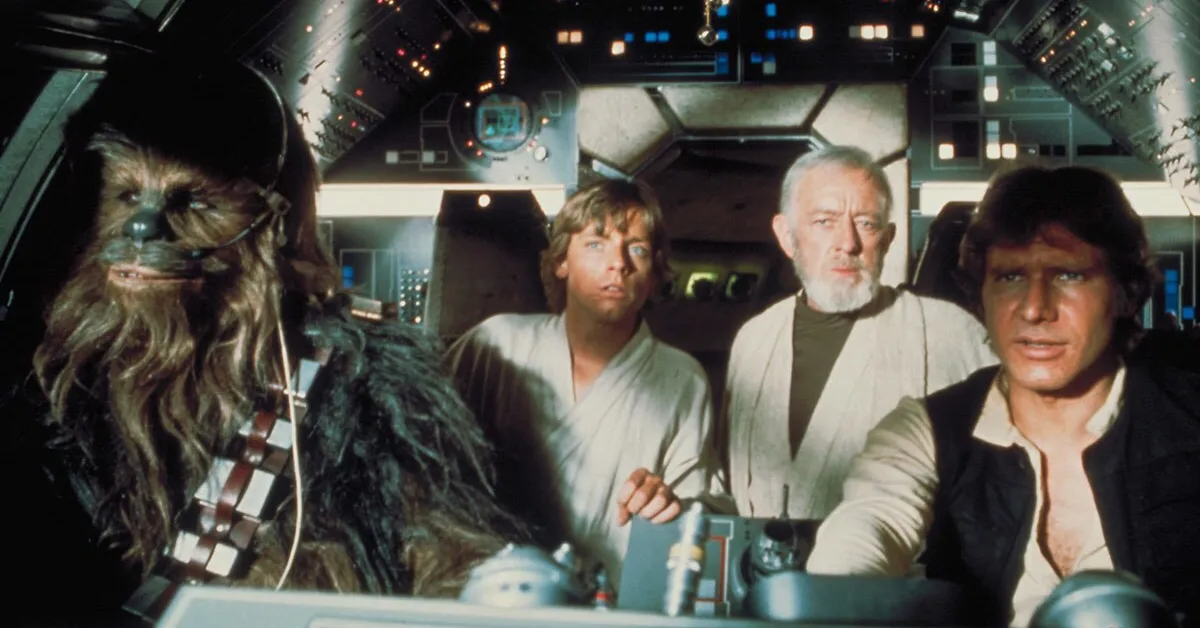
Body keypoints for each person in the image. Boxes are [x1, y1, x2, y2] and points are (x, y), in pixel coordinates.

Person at [5, 53, 521, 624]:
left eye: (193, 201)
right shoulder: (48, 382)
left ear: (274, 224)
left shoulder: (357, 378)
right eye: (127, 196)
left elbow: (442, 550)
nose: (143, 228)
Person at [805, 165, 1200, 625]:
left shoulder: (1187, 411)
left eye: (1069, 276)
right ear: (981, 296)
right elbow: (865, 531)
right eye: (1010, 277)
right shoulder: (927, 431)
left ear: (1125, 294)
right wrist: (839, 601)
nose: (1034, 309)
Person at [445, 179, 719, 582]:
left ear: (653, 274)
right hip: (494, 591)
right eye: (596, 244)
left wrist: (668, 501)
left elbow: (700, 508)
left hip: (614, 599)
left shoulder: (682, 381)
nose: (618, 263)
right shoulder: (498, 345)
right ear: (561, 261)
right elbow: (423, 454)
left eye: (637, 249)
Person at [720, 145, 996, 519]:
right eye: (825, 221)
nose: (847, 243)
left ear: (888, 238)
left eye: (866, 223)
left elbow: (999, 487)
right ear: (786, 236)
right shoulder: (755, 339)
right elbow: (727, 484)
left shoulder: (949, 333)